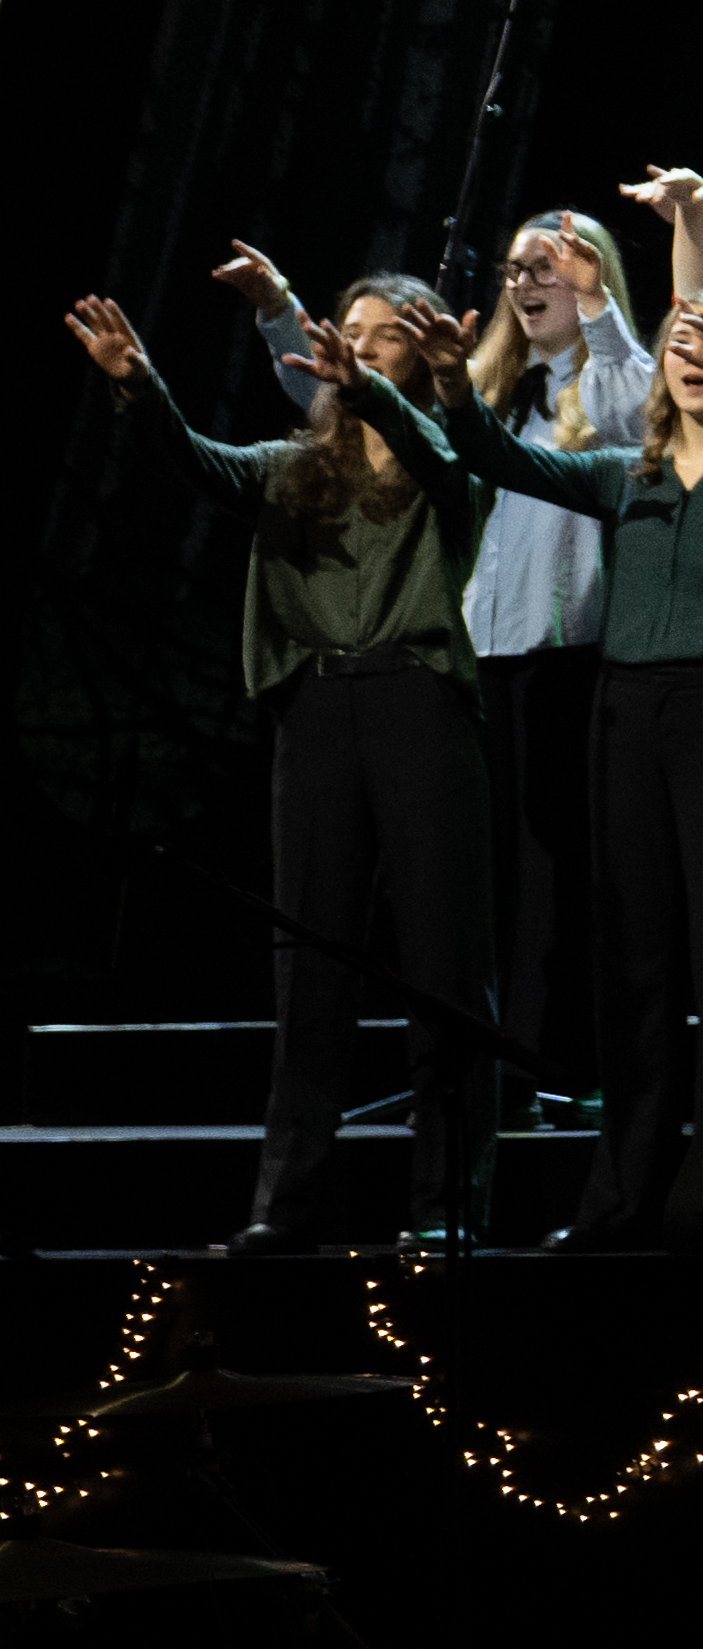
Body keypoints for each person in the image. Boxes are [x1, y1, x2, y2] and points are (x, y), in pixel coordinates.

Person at [73, 255, 500, 1249]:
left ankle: (448, 1207)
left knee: (443, 961)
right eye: (340, 331)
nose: (349, 345)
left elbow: (431, 449)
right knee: (309, 968)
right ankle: (288, 1205)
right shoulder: (289, 468)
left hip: (418, 704)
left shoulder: (450, 462)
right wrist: (141, 383)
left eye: (379, 332)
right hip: (315, 715)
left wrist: (385, 392)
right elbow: (198, 461)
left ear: (416, 351)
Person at [435, 272, 703, 1238]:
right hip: (626, 716)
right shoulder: (624, 474)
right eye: (682, 346)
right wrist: (450, 387)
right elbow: (496, 457)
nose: (693, 360)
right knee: (635, 962)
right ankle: (623, 1196)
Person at [450, 207, 642, 1102]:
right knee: (483, 866)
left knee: (558, 864)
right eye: (516, 268)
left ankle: (553, 1054)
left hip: (568, 651)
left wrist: (600, 309)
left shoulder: (609, 379)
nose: (526, 283)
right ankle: (488, 1057)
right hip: (481, 649)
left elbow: (636, 411)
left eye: (550, 268)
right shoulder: (491, 386)